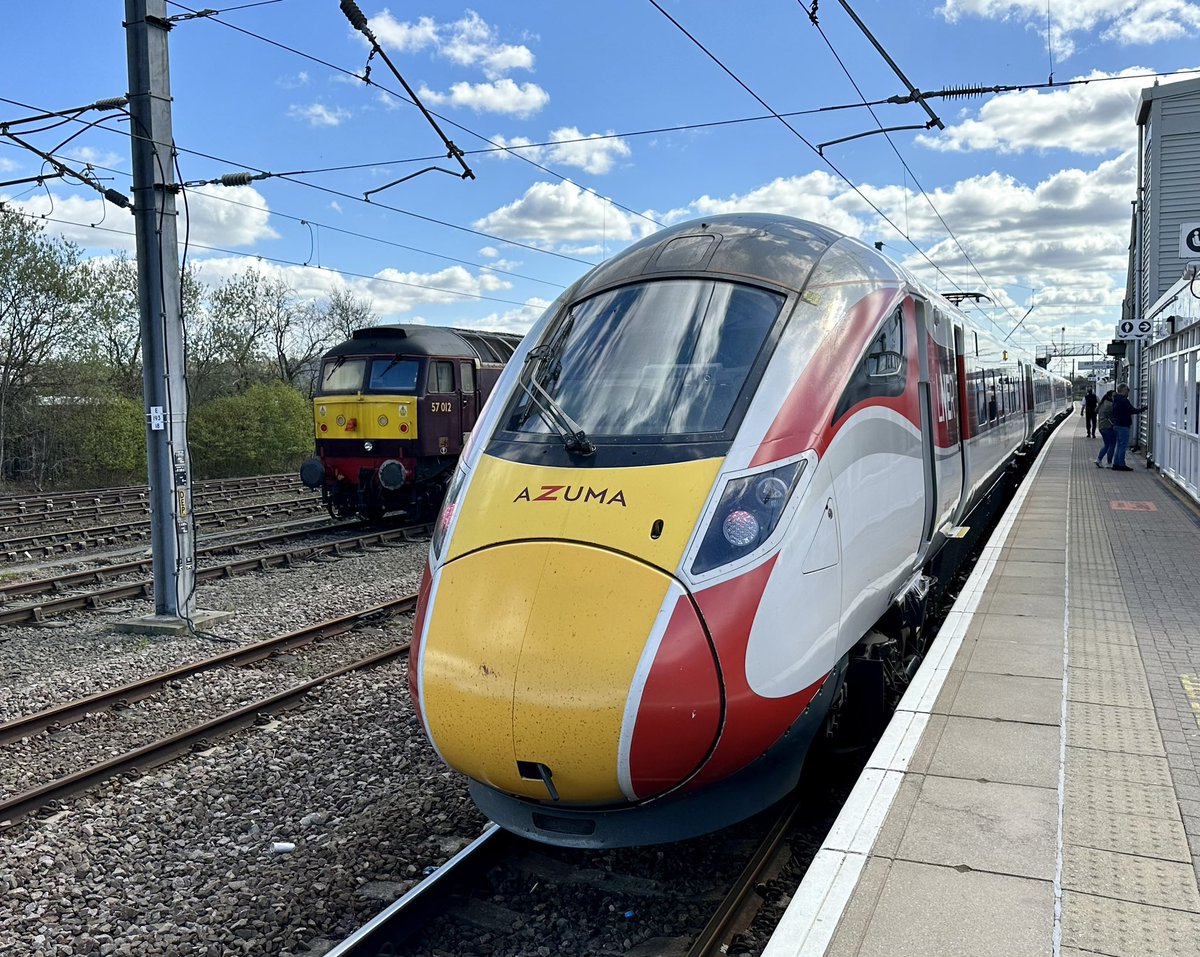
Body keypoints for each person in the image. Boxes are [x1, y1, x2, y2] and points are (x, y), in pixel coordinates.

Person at [1109, 384, 1147, 471]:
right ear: (1123, 390)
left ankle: (1116, 464)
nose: (1128, 392)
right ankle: (1121, 464)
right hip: (1123, 426)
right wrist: (1143, 409)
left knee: (1119, 445)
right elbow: (1132, 410)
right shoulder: (1123, 400)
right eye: (1127, 390)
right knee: (1123, 446)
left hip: (1116, 425)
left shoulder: (1115, 400)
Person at [1095, 390, 1116, 468]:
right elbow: (1113, 416)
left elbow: (1096, 411)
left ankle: (1099, 460)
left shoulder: (1102, 403)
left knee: (1106, 445)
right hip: (1108, 427)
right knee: (1112, 445)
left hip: (1101, 427)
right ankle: (1109, 463)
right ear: (1110, 397)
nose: (1115, 397)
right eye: (1114, 396)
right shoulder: (1110, 405)